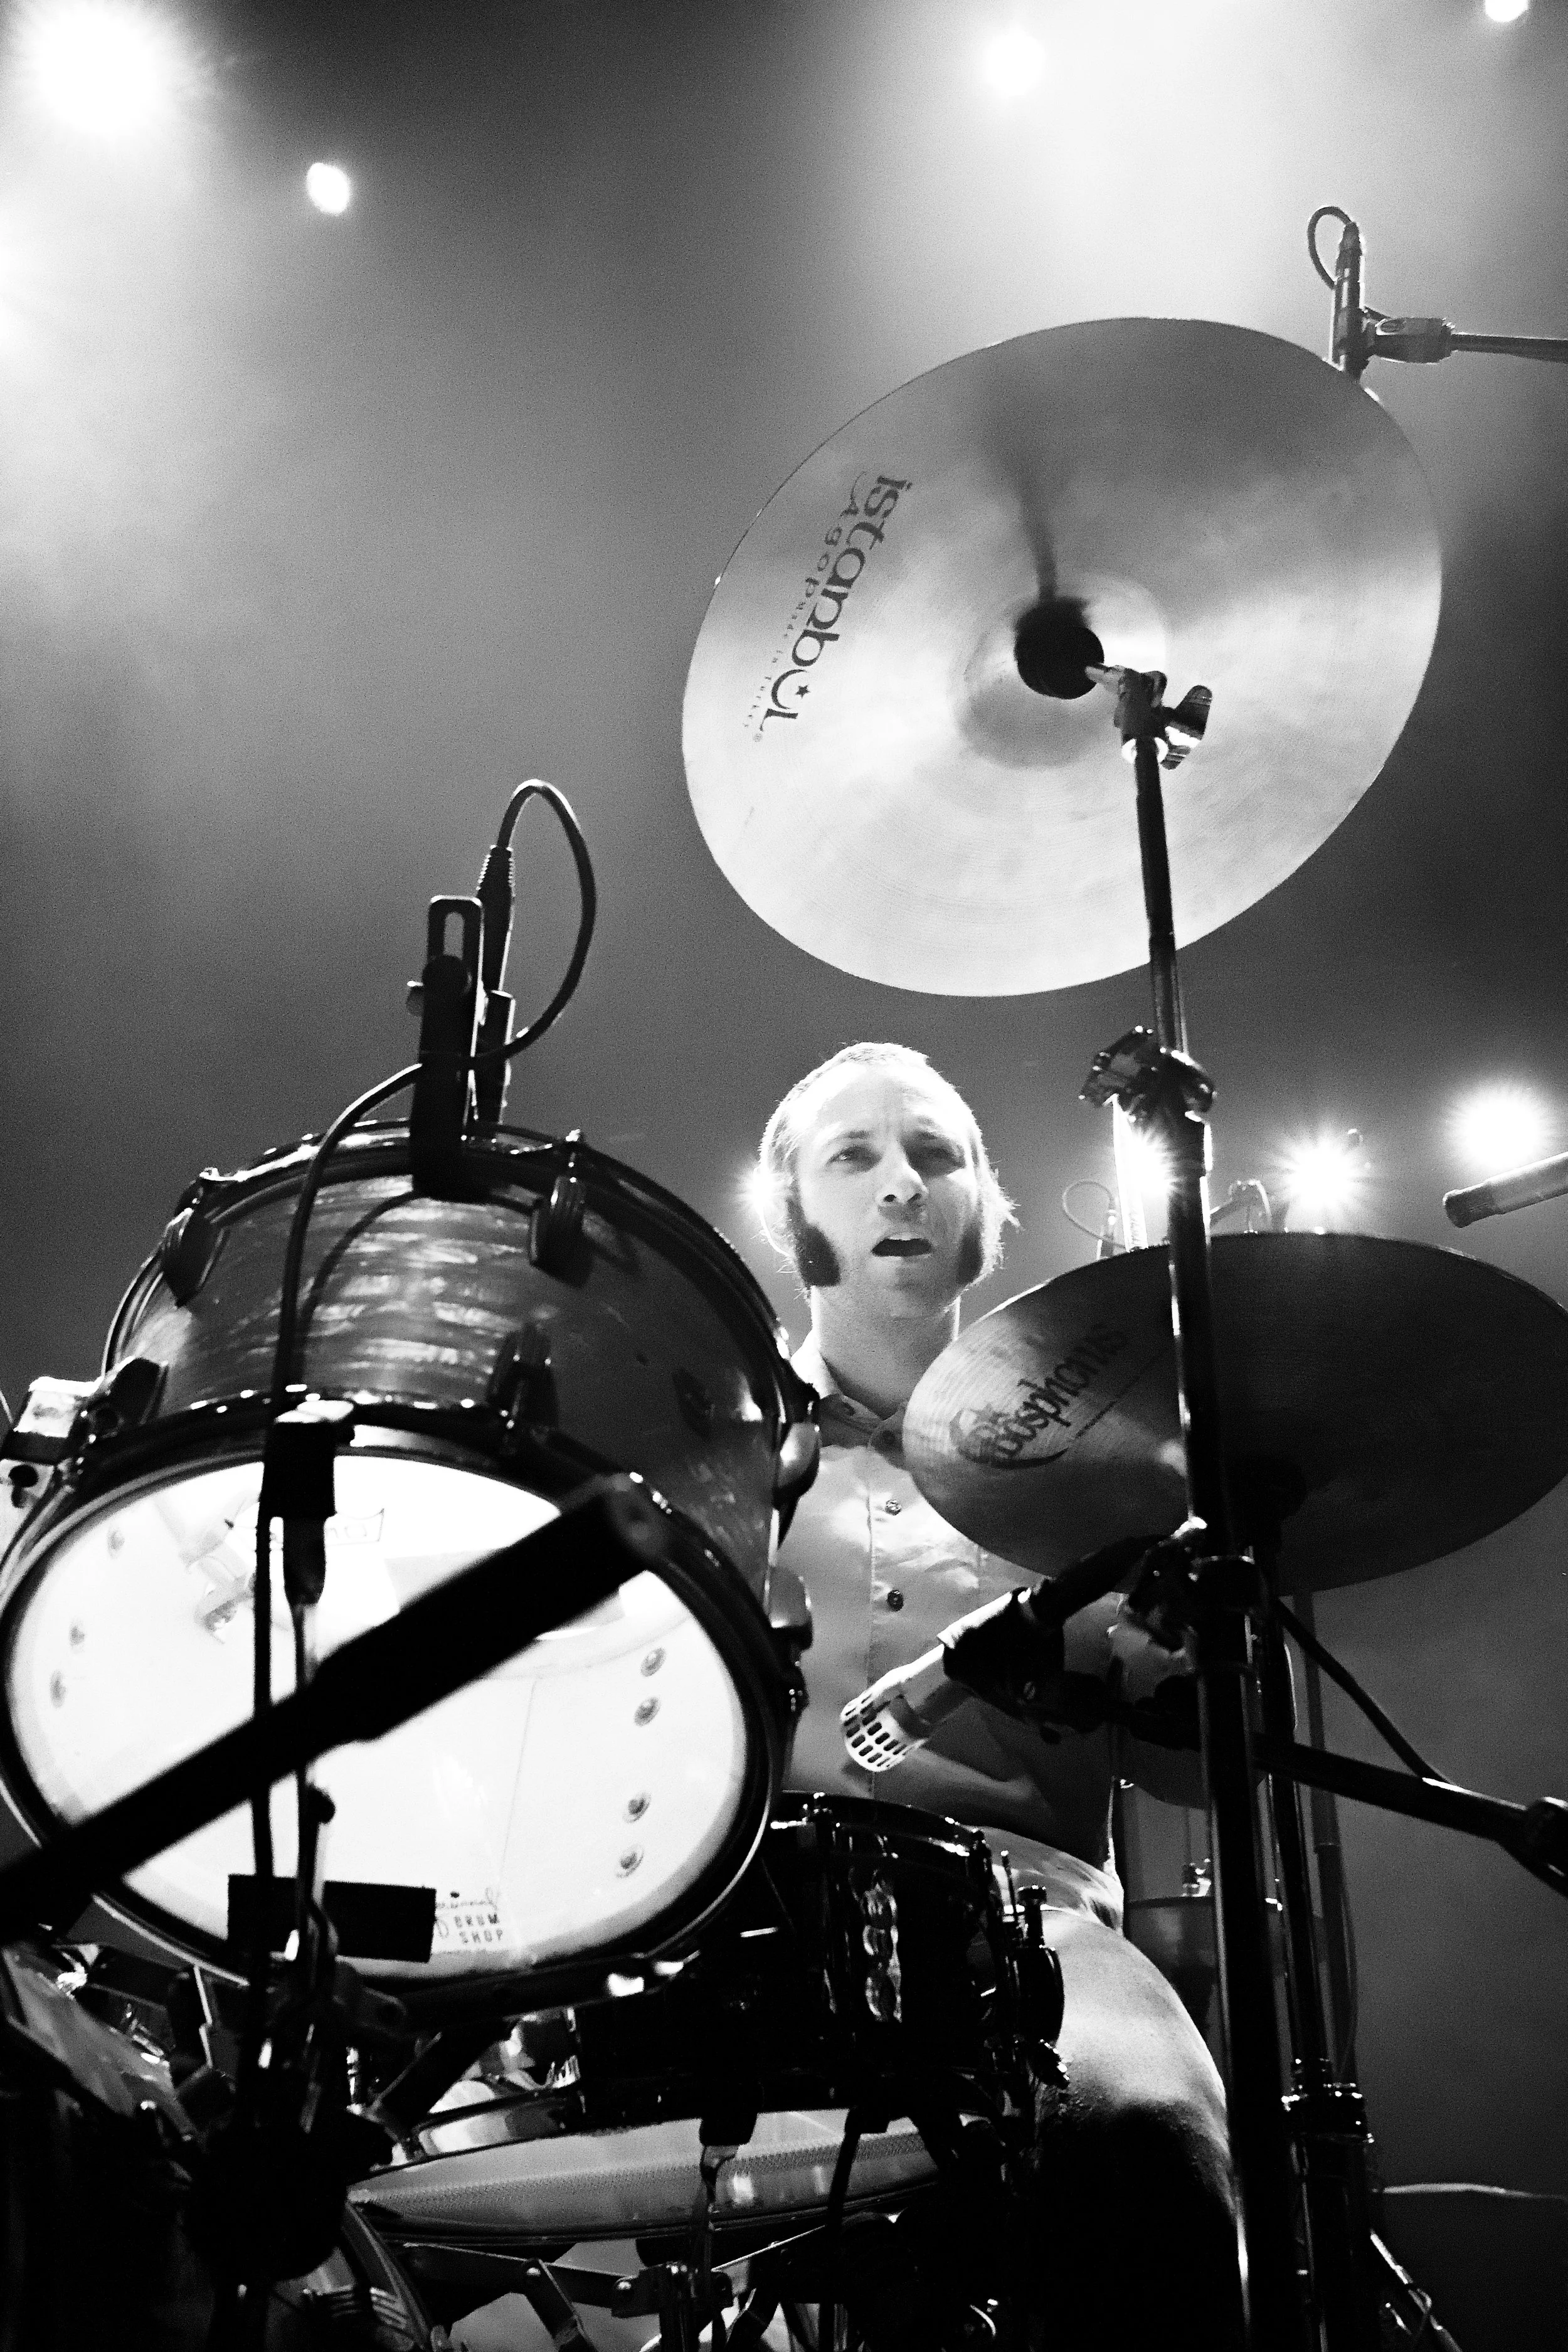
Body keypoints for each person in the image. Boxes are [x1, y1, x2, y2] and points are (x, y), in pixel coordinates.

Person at [756, 1041, 1245, 2351]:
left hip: (1027, 1915)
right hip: (745, 1916)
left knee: (1153, 2145)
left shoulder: (1113, 1466)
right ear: (789, 1211)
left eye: (934, 1155)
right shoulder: (712, 1442)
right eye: (851, 1158)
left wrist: (1172, 1679)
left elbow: (1205, 1782)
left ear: (988, 1205)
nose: (899, 1185)